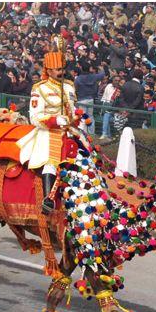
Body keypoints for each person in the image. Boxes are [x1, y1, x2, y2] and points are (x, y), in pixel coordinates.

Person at [16, 46, 76, 214]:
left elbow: (73, 109)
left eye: (62, 68)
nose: (61, 72)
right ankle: (48, 200)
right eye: (57, 69)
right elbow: (35, 117)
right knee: (50, 162)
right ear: (48, 71)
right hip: (48, 132)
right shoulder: (40, 89)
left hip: (69, 131)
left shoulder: (70, 87)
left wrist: (76, 118)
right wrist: (55, 120)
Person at [75, 61, 105, 135]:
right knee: (90, 116)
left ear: (81, 68)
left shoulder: (78, 79)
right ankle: (91, 133)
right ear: (90, 69)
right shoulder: (93, 76)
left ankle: (84, 134)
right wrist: (101, 68)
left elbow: (75, 88)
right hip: (90, 99)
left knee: (83, 117)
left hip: (81, 100)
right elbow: (102, 74)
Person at [99, 75, 121, 140]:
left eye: (118, 81)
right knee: (106, 115)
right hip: (106, 107)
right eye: (115, 80)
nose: (117, 82)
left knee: (106, 115)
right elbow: (104, 97)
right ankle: (107, 135)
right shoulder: (108, 86)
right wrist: (103, 108)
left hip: (116, 110)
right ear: (112, 81)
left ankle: (105, 134)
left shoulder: (120, 89)